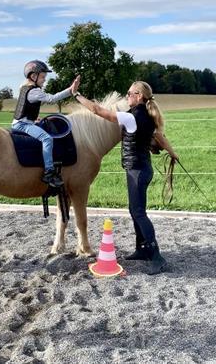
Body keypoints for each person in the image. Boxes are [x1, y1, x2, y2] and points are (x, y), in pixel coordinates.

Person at [75, 81, 179, 275]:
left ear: (139, 96)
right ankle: (142, 249)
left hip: (137, 171)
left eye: (129, 93)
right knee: (134, 210)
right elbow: (160, 138)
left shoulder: (132, 117)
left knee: (139, 212)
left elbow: (98, 110)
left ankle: (156, 256)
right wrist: (173, 154)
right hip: (141, 169)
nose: (127, 96)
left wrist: (77, 95)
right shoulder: (148, 116)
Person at [12, 60, 81, 188]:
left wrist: (33, 118)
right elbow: (52, 99)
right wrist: (70, 90)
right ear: (33, 76)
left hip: (23, 121)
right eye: (43, 77)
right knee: (47, 138)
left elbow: (26, 107)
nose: (44, 80)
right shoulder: (34, 91)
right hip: (22, 125)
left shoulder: (25, 87)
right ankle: (49, 172)